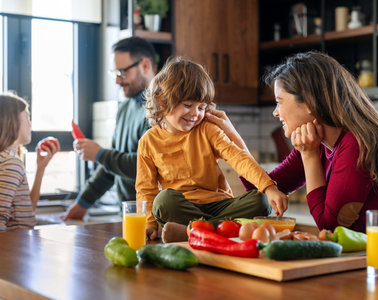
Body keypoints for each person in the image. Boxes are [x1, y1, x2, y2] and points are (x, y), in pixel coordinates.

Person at [207, 51, 378, 261]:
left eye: (279, 101)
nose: (275, 112)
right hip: (375, 265)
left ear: (309, 102)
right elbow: (261, 188)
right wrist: (233, 139)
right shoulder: (317, 143)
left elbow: (329, 225)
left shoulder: (356, 144)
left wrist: (309, 157)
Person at [136, 57, 288, 241]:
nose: (196, 114)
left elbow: (238, 158)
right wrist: (149, 223)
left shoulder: (208, 129)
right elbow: (146, 189)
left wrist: (268, 186)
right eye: (188, 105)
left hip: (218, 205)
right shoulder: (148, 141)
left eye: (201, 107)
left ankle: (196, 231)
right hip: (182, 207)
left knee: (261, 201)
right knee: (163, 201)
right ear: (163, 103)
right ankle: (220, 229)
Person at [63, 37, 157, 220]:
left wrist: (100, 154)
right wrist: (82, 203)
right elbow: (111, 165)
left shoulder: (161, 108)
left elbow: (148, 166)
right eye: (114, 73)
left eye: (122, 72)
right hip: (130, 215)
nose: (117, 81)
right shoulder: (124, 108)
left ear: (145, 65)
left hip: (153, 218)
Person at [0, 93, 59, 231]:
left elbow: (26, 212)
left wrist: (41, 168)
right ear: (12, 121)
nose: (30, 124)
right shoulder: (10, 163)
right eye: (27, 117)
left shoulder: (9, 159)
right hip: (14, 248)